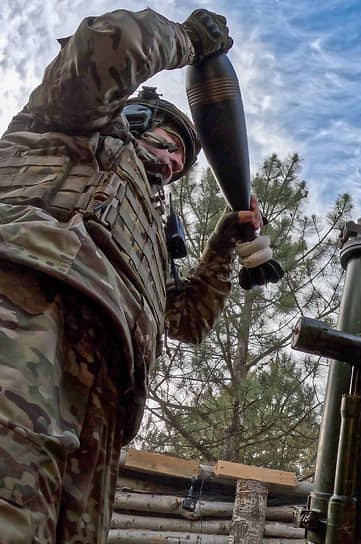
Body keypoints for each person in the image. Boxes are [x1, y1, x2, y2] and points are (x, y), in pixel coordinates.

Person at [0, 8, 274, 543]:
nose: (175, 164)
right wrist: (189, 41)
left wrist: (220, 248)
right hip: (24, 318)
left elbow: (186, 321)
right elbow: (109, 46)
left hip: (104, 394)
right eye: (171, 144)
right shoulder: (66, 124)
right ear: (134, 121)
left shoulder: (152, 239)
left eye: (183, 161)